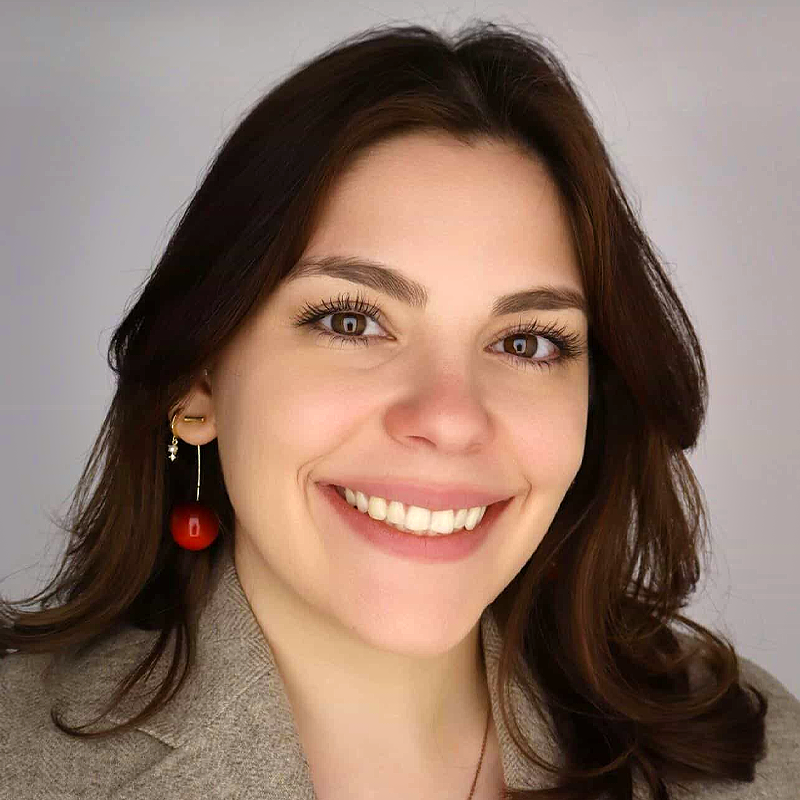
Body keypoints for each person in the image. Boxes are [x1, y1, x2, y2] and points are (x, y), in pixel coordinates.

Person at [1, 20, 798, 800]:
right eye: (351, 321)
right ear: (196, 384)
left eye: (527, 343)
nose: (450, 418)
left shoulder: (763, 763)